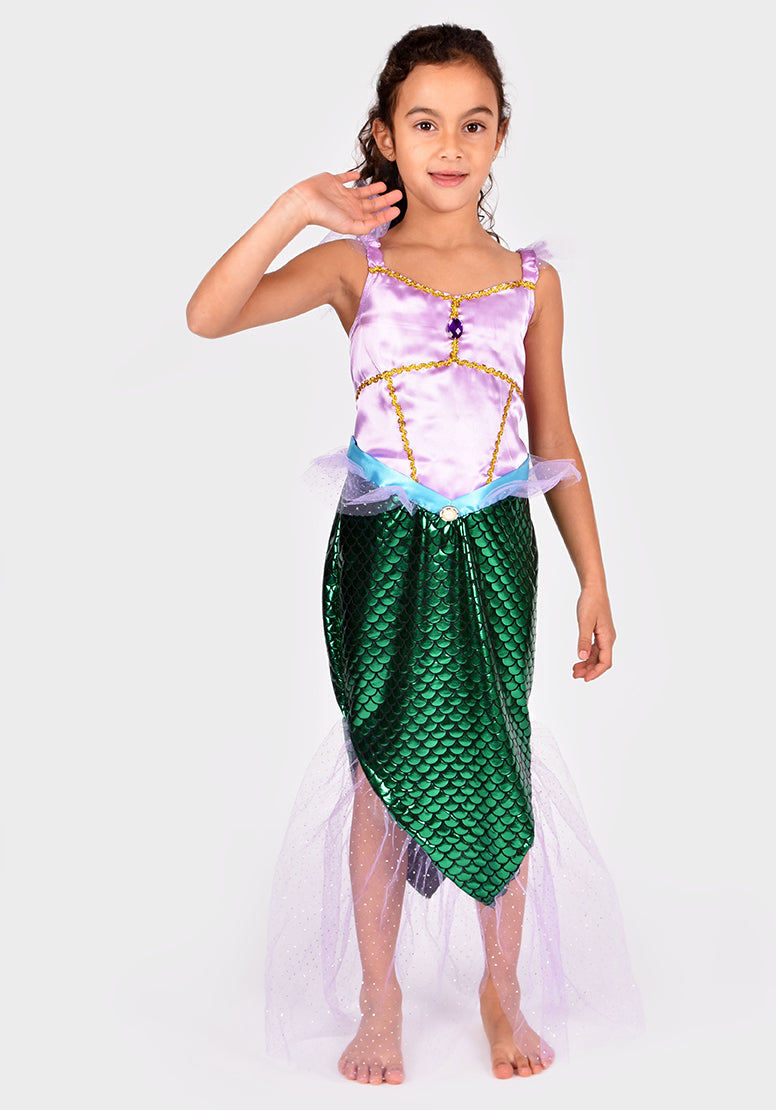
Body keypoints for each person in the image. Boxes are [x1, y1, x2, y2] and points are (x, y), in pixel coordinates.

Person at [187, 23, 643, 1086]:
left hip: (494, 544)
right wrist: (297, 209)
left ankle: (502, 986)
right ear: (386, 136)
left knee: (497, 753)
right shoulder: (358, 266)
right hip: (384, 545)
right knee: (380, 771)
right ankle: (379, 997)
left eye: (472, 125)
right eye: (425, 123)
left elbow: (555, 433)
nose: (449, 145)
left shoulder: (530, 281)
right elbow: (209, 316)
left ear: (500, 137)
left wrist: (595, 577)